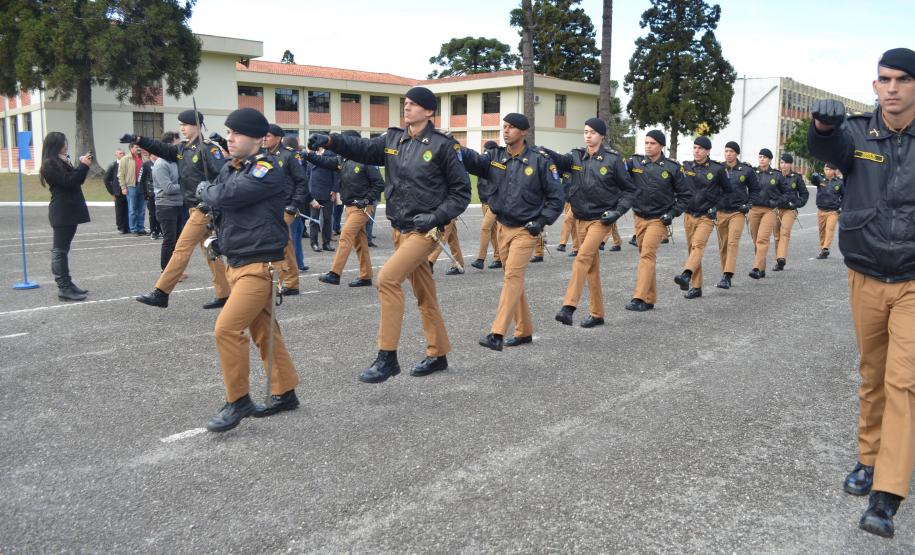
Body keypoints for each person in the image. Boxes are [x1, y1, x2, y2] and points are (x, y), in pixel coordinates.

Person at [807, 47, 915, 539]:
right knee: (873, 375)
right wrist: (823, 127)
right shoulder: (855, 132)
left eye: (902, 80)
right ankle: (869, 460)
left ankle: (886, 496)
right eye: (883, 80)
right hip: (866, 273)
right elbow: (827, 153)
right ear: (875, 86)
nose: (891, 88)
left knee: (903, 383)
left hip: (913, 279)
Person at [307, 86, 471, 383]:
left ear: (429, 111)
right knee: (425, 295)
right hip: (400, 228)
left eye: (413, 104)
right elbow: (363, 149)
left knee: (387, 280)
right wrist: (331, 140)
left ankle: (387, 357)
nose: (406, 108)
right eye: (405, 103)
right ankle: (438, 353)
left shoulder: (444, 145)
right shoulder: (394, 139)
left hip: (426, 231)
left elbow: (461, 193)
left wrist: (435, 217)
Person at [196, 108, 300, 433]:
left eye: (236, 133)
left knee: (226, 329)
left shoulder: (265, 170)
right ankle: (285, 392)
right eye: (227, 133)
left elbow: (226, 196)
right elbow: (221, 203)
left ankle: (238, 400)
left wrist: (204, 190)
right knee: (265, 330)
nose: (229, 138)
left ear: (258, 138)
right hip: (237, 262)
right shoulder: (233, 168)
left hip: (260, 266)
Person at [461, 113, 563, 349]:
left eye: (512, 127)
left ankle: (496, 333)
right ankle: (524, 330)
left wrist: (541, 221)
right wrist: (456, 147)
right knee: (513, 282)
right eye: (504, 127)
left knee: (512, 278)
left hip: (526, 230)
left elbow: (556, 198)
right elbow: (475, 162)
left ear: (524, 132)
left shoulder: (540, 161)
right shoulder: (496, 157)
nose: (506, 131)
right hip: (503, 226)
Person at [126, 109, 231, 309]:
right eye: (180, 125)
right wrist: (138, 139)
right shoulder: (183, 149)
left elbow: (222, 176)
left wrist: (211, 203)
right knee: (211, 251)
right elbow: (160, 148)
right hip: (192, 207)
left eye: (185, 124)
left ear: (197, 126)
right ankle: (224, 293)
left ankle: (162, 292)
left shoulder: (208, 149)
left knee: (181, 248)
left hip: (204, 208)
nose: (182, 128)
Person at [543, 117, 637, 326]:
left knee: (582, 258)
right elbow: (559, 160)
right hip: (580, 219)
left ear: (601, 135)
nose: (588, 135)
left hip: (600, 220)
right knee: (591, 268)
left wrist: (617, 211)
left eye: (592, 132)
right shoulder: (576, 156)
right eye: (585, 131)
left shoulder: (613, 160)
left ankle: (568, 307)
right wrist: (542, 150)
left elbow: (630, 190)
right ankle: (597, 313)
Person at [625, 130, 692, 311]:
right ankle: (650, 298)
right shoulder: (635, 162)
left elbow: (685, 196)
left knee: (647, 254)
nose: (648, 146)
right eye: (646, 143)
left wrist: (672, 213)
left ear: (661, 146)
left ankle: (638, 297)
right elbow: (618, 174)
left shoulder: (672, 168)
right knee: (646, 257)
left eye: (652, 143)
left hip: (658, 219)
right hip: (639, 216)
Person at [316, 130, 385, 287]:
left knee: (345, 236)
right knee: (360, 242)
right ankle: (366, 276)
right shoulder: (343, 159)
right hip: (349, 207)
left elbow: (380, 183)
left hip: (362, 208)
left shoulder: (365, 161)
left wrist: (367, 199)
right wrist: (308, 156)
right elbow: (326, 163)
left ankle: (335, 273)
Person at [39, 131, 92, 301]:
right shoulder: (49, 164)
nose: (66, 144)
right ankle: (63, 287)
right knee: (59, 251)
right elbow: (69, 181)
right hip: (62, 211)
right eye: (63, 142)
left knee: (63, 250)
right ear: (55, 144)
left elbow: (77, 180)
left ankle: (68, 284)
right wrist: (82, 165)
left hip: (69, 210)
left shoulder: (61, 160)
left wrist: (84, 166)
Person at [674, 136, 729, 299]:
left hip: (706, 215)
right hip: (689, 214)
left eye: (700, 148)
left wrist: (716, 207)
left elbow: (728, 191)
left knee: (698, 246)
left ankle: (686, 275)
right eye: (695, 147)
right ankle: (696, 287)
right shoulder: (686, 166)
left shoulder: (717, 169)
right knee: (692, 250)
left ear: (708, 151)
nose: (696, 151)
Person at [263, 124, 311, 295]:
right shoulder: (262, 156)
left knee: (281, 243)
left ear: (278, 137)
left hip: (285, 205)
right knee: (282, 244)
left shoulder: (289, 156)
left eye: (268, 135)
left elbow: (301, 181)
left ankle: (290, 282)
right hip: (268, 206)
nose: (264, 138)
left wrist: (294, 204)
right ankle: (287, 282)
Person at [714, 141, 758, 289]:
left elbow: (755, 190)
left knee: (733, 242)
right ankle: (724, 274)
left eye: (731, 151)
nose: (728, 154)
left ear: (737, 153)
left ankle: (727, 275)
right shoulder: (718, 169)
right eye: (726, 151)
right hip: (721, 211)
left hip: (738, 212)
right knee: (723, 245)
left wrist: (749, 204)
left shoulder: (746, 170)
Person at [747, 148, 788, 279]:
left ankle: (756, 268)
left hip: (769, 210)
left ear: (770, 159)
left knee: (762, 239)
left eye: (764, 157)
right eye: (760, 157)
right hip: (753, 209)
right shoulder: (752, 173)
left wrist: (776, 202)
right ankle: (762, 268)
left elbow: (786, 193)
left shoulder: (777, 175)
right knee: (755, 240)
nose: (762, 159)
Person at [152, 132, 185, 270]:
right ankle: (166, 271)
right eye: (177, 144)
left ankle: (175, 270)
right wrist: (187, 185)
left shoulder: (177, 161)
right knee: (169, 240)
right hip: (166, 206)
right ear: (169, 145)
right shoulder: (161, 164)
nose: (179, 147)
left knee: (178, 241)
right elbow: (168, 188)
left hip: (179, 204)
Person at [771, 153, 809, 271]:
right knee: (776, 235)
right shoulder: (775, 175)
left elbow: (804, 194)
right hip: (776, 209)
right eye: (782, 162)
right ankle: (778, 261)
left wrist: (796, 204)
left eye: (786, 163)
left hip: (790, 210)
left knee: (785, 232)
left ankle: (781, 258)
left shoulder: (796, 177)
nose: (784, 165)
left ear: (790, 164)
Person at [470, 140, 503, 270]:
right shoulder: (482, 163)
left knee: (485, 228)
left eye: (487, 150)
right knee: (493, 231)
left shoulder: (498, 164)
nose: (485, 153)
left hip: (494, 202)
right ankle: (498, 257)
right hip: (485, 202)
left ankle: (480, 258)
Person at [283, 135, 311, 270]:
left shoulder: (287, 156)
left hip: (295, 203)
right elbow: (301, 181)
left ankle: (299, 262)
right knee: (293, 236)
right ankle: (294, 264)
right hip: (292, 203)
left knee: (298, 231)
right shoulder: (293, 157)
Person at [303, 146, 338, 252]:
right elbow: (308, 174)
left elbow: (336, 174)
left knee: (327, 219)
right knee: (314, 219)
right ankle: (314, 243)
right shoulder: (311, 156)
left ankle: (326, 243)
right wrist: (308, 191)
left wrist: (334, 189)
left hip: (327, 192)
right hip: (314, 192)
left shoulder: (330, 155)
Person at [810, 162, 844, 259]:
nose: (827, 171)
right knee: (822, 231)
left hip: (833, 211)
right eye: (825, 169)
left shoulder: (839, 182)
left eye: (829, 169)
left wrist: (841, 207)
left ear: (834, 171)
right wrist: (814, 176)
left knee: (830, 229)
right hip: (821, 210)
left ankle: (825, 248)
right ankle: (823, 249)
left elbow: (845, 196)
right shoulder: (822, 180)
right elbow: (814, 181)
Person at [118, 144, 146, 235]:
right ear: (131, 148)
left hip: (142, 186)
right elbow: (121, 175)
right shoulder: (125, 159)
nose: (138, 148)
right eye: (136, 147)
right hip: (131, 186)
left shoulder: (144, 158)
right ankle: (134, 229)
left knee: (142, 209)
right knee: (133, 209)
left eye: (139, 147)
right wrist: (123, 187)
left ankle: (141, 228)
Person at [104, 149, 129, 234]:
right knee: (119, 211)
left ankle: (128, 226)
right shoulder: (113, 166)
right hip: (118, 192)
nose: (122, 155)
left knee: (128, 209)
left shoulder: (128, 164)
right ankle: (121, 227)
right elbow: (106, 179)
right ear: (116, 155)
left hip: (128, 190)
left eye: (123, 153)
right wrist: (112, 192)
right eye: (120, 153)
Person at [138, 150, 161, 239]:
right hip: (150, 193)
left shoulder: (161, 164)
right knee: (153, 213)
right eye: (155, 154)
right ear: (150, 155)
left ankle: (160, 230)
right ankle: (153, 231)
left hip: (159, 193)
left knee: (160, 213)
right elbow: (141, 180)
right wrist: (144, 193)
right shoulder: (146, 165)